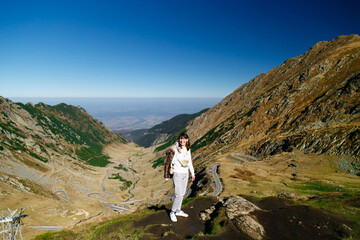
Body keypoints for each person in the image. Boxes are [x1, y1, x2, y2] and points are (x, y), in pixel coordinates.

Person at [168, 132, 195, 222]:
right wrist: (176, 149)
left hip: (185, 173)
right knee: (178, 194)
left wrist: (193, 173)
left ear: (187, 140)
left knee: (182, 193)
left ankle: (178, 210)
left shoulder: (187, 149)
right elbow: (169, 155)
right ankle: (172, 212)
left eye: (184, 139)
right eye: (180, 139)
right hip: (177, 173)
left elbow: (189, 161)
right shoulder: (176, 148)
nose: (182, 140)